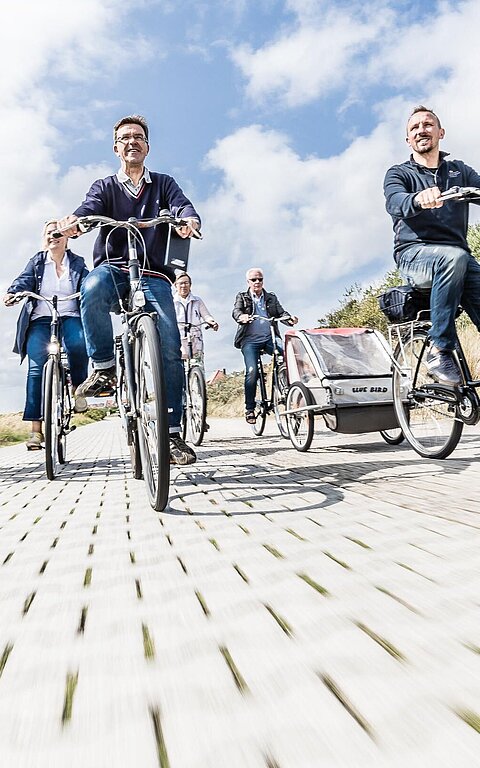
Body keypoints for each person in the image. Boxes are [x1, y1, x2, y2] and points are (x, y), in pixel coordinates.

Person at [57, 114, 201, 465]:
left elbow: (182, 205)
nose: (132, 142)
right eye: (125, 138)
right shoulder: (104, 186)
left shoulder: (163, 184)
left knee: (169, 342)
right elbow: (87, 210)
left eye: (138, 137)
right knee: (91, 288)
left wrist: (188, 219)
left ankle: (171, 433)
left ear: (147, 146)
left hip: (153, 273)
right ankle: (104, 367)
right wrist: (74, 224)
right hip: (114, 267)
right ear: (116, 148)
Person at [384, 105, 480, 386]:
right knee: (454, 258)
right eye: (414, 128)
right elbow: (395, 201)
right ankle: (440, 351)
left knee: (460, 260)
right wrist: (416, 199)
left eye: (427, 125)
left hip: (458, 257)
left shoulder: (458, 171)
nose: (421, 130)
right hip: (414, 254)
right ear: (408, 140)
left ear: (440, 132)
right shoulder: (399, 173)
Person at [3, 220, 89, 450]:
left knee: (79, 343)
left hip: (70, 314)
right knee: (35, 369)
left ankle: (78, 388)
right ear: (44, 238)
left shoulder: (77, 263)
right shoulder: (37, 262)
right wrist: (14, 293)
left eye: (57, 233)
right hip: (41, 318)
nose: (53, 236)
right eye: (49, 233)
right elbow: (24, 280)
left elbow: (88, 283)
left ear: (66, 238)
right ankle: (35, 431)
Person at [232, 267, 298, 423]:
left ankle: (290, 391)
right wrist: (242, 317)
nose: (257, 282)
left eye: (260, 279)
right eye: (253, 279)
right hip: (249, 341)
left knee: (289, 354)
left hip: (270, 338)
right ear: (248, 282)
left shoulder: (271, 297)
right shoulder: (242, 297)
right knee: (252, 371)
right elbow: (236, 311)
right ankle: (249, 408)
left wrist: (290, 319)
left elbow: (281, 313)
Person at [173, 272, 219, 368]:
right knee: (179, 370)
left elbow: (206, 315)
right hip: (178, 339)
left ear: (190, 285)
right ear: (175, 285)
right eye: (180, 283)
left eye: (186, 283)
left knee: (197, 368)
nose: (183, 286)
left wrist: (211, 321)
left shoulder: (197, 301)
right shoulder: (172, 301)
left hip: (195, 339)